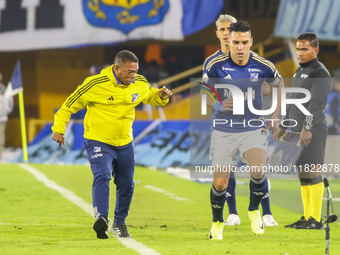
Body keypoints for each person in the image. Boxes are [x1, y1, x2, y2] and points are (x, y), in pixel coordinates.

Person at [51, 50, 172, 239]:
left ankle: (120, 223)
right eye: (130, 71)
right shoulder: (94, 84)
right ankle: (101, 217)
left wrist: (161, 96)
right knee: (103, 175)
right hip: (98, 140)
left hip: (125, 142)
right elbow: (68, 105)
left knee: (126, 185)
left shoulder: (139, 82)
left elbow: (149, 96)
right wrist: (59, 129)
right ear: (117, 69)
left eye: (136, 71)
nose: (134, 75)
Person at [202, 21, 284, 239]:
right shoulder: (214, 64)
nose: (239, 47)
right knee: (220, 182)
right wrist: (218, 104)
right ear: (229, 41)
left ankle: (254, 211)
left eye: (244, 42)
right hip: (224, 128)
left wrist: (274, 118)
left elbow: (279, 85)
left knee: (257, 171)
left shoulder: (263, 64)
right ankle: (217, 223)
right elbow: (204, 93)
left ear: (251, 42)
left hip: (253, 126)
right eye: (235, 42)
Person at [280, 33, 331, 230]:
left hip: (313, 130)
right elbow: (293, 101)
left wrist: (307, 128)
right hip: (297, 130)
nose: (300, 53)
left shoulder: (320, 72)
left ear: (315, 50)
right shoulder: (299, 71)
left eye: (304, 49)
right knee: (302, 173)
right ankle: (307, 216)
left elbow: (316, 105)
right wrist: (284, 125)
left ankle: (316, 220)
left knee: (313, 171)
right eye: (298, 49)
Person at [0, 73, 14, 160]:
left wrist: (2, 113)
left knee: (0, 139)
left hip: (1, 119)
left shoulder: (5, 91)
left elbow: (10, 105)